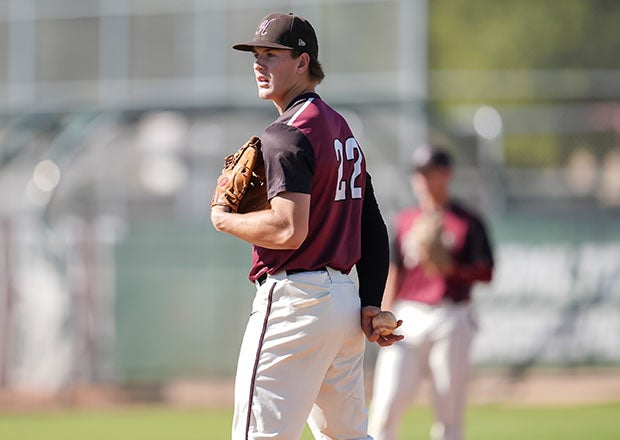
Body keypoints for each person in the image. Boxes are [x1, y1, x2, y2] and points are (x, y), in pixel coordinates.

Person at [211, 12, 403, 440]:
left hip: (295, 303)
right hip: (342, 307)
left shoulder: (285, 133)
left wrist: (226, 220)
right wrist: (369, 302)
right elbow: (371, 224)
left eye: (272, 55)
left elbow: (288, 231)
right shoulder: (339, 129)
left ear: (302, 62)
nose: (259, 64)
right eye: (256, 55)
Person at [368, 145, 495, 440]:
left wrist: (453, 270)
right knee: (385, 406)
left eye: (429, 172)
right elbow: (395, 272)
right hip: (408, 316)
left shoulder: (467, 221)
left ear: (446, 175)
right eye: (418, 173)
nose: (422, 179)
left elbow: (487, 271)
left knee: (447, 412)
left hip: (451, 315)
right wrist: (383, 313)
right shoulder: (405, 220)